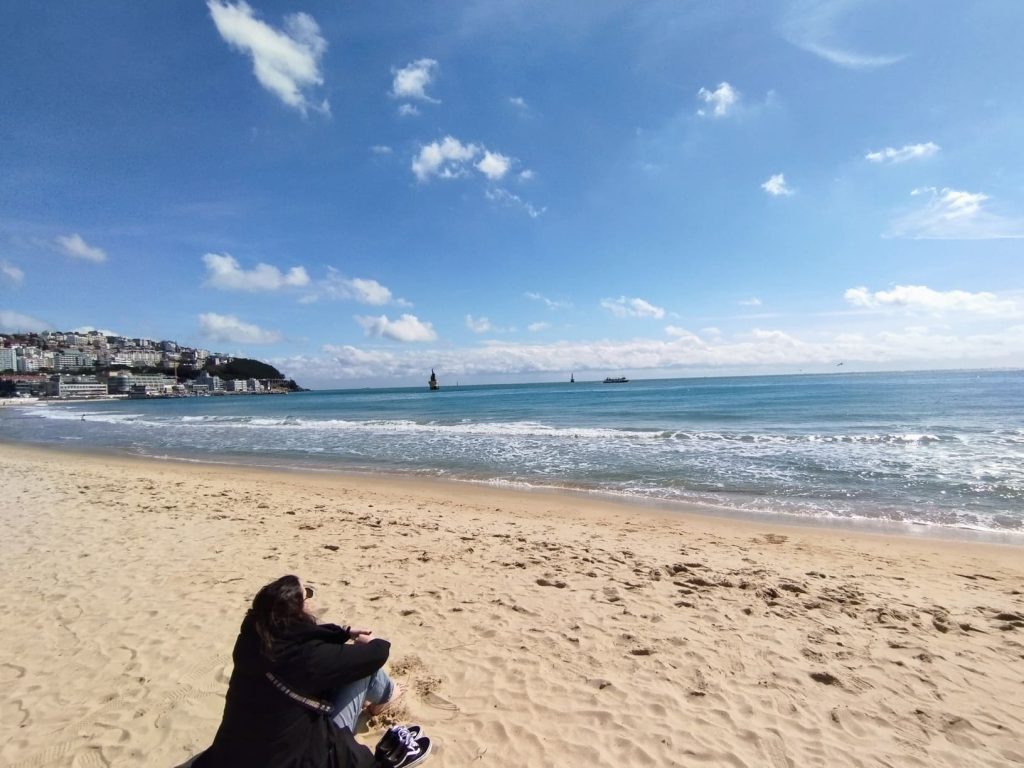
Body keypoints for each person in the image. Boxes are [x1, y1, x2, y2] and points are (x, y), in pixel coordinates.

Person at [192, 575, 404, 768]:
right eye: (307, 595)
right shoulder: (306, 657)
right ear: (298, 609)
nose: (310, 600)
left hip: (236, 753)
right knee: (363, 668)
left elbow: (305, 634)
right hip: (300, 758)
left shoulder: (250, 642)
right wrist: (374, 642)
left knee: (343, 665)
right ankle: (387, 696)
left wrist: (345, 632)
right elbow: (376, 655)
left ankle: (383, 696)